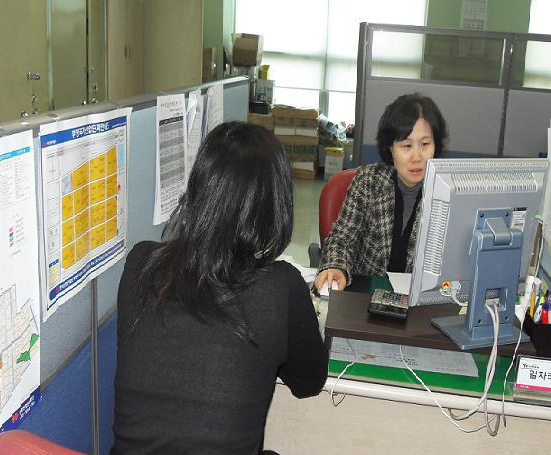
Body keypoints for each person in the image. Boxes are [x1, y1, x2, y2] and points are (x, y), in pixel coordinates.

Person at [111, 122, 328, 454]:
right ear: (275, 204)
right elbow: (308, 383)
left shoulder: (140, 263)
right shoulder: (280, 286)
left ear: (198, 189)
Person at [315, 93, 448, 291]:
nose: (417, 157)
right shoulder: (368, 181)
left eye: (425, 144)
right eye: (406, 146)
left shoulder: (447, 191)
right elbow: (341, 239)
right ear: (390, 148)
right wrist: (336, 266)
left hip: (421, 302)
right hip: (365, 298)